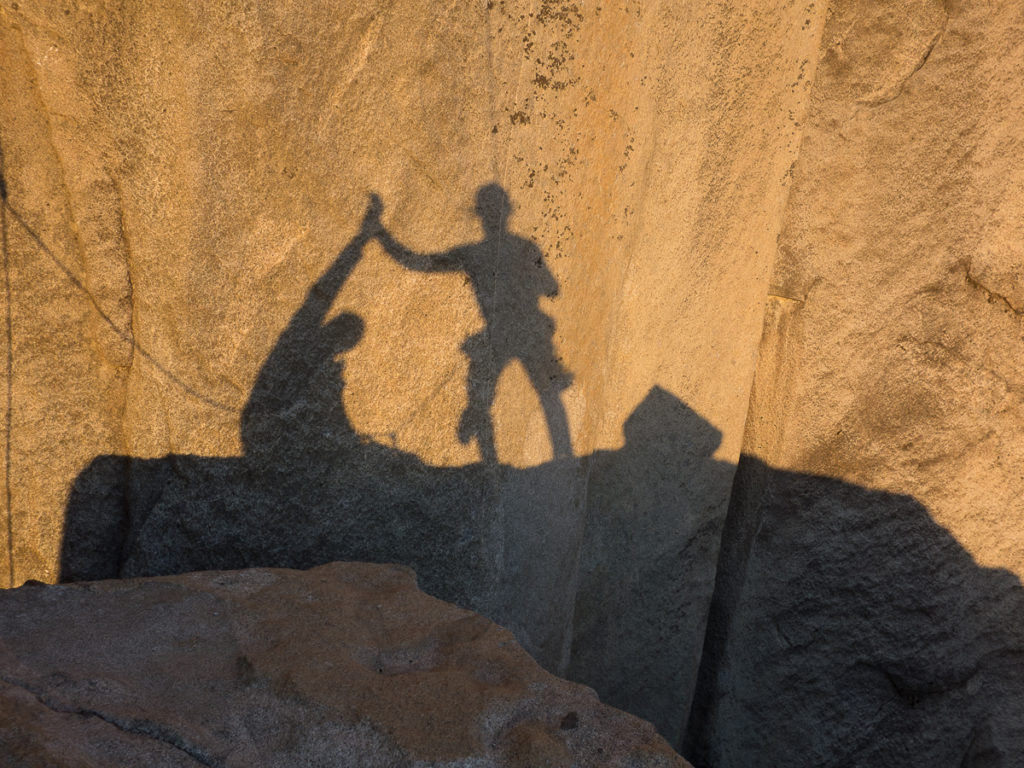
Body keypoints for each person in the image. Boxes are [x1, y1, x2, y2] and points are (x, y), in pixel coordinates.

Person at [369, 184, 572, 463]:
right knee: (548, 393)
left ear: (480, 216)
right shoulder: (526, 247)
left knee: (481, 402)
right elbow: (551, 288)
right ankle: (564, 454)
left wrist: (379, 234)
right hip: (528, 332)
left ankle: (487, 454)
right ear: (508, 212)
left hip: (498, 335)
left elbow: (419, 262)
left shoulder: (472, 255)